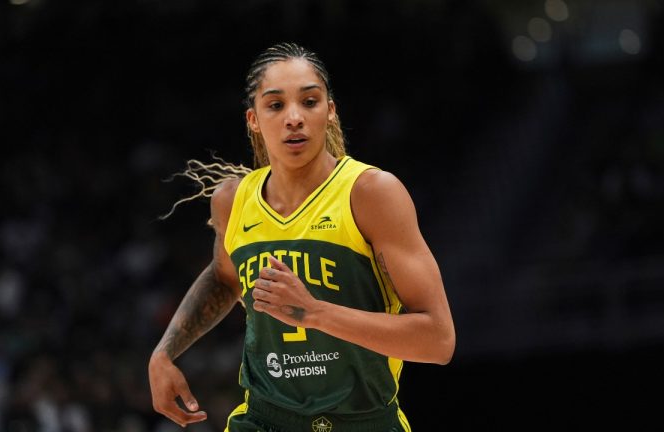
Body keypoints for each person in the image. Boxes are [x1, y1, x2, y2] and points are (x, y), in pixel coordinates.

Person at [148, 42, 455, 432]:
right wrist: (164, 353)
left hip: (361, 420)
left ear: (330, 111)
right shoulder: (232, 199)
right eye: (275, 105)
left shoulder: (371, 193)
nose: (294, 117)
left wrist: (315, 313)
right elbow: (225, 277)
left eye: (309, 101)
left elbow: (438, 340)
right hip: (264, 419)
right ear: (253, 120)